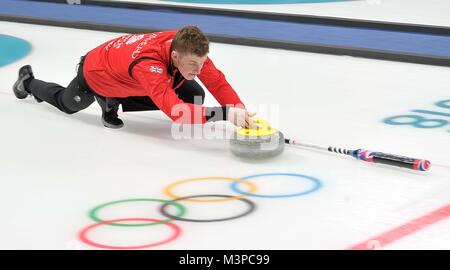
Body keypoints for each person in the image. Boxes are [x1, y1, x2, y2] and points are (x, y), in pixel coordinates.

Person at [13, 25, 256, 130]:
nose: (199, 69)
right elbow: (176, 113)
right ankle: (27, 83)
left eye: (201, 63)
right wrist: (224, 114)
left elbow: (218, 81)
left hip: (124, 75)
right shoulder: (148, 64)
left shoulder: (189, 48)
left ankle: (113, 102)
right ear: (174, 55)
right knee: (66, 104)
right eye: (193, 64)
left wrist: (239, 111)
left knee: (195, 95)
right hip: (96, 74)